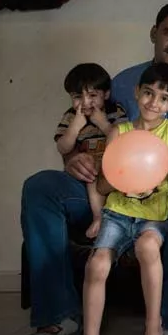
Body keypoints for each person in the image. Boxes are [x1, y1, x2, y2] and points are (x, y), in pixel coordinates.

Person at [17, 2, 168, 335]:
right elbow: (91, 129)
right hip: (114, 188)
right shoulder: (121, 83)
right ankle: (58, 319)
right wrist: (72, 157)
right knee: (41, 187)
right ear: (154, 33)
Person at [55, 64, 168, 335]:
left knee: (147, 247)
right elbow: (103, 184)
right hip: (118, 212)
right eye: (148, 93)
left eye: (163, 98)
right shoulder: (120, 131)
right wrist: (122, 177)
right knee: (97, 264)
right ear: (137, 92)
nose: (153, 103)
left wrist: (163, 165)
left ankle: (152, 329)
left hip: (154, 215)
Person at [53, 63, 128, 239]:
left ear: (106, 94)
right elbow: (62, 147)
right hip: (87, 169)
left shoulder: (115, 112)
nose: (85, 103)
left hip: (112, 166)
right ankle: (98, 217)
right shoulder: (71, 116)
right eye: (78, 97)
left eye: (93, 95)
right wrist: (74, 128)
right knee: (91, 170)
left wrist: (102, 123)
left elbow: (123, 141)